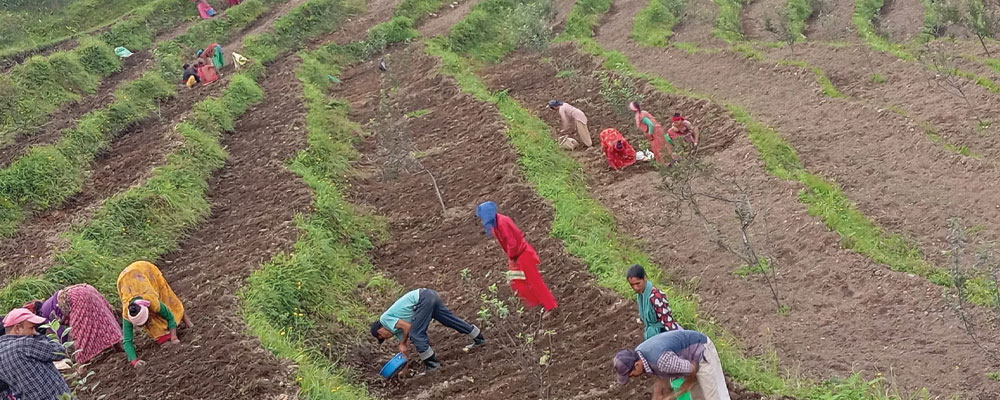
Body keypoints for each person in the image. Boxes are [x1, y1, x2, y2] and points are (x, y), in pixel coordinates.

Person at [370, 288, 485, 372]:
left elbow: (408, 328)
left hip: (423, 299)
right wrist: (403, 369)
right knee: (449, 320)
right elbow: (404, 350)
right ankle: (478, 337)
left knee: (416, 333)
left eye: (383, 337)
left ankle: (432, 365)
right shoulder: (396, 329)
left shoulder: (385, 319)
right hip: (429, 295)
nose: (387, 337)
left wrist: (402, 343)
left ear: (380, 332)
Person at [476, 201, 558, 311]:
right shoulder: (495, 225)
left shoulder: (502, 222)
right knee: (517, 282)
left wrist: (511, 258)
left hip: (523, 255)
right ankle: (537, 304)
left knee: (535, 281)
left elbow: (512, 243)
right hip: (516, 256)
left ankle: (550, 306)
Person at [117, 261, 194, 368]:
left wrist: (173, 336)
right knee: (151, 324)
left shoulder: (152, 300)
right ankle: (161, 334)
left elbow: (169, 316)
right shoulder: (127, 312)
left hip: (145, 271)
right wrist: (134, 362)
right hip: (124, 281)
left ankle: (186, 320)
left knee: (169, 300)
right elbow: (127, 341)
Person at [613, 330, 730, 400]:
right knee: (699, 398)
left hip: (701, 351)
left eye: (630, 374)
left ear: (637, 364)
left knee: (715, 397)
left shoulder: (661, 360)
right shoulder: (639, 353)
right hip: (688, 361)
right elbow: (661, 373)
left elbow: (692, 369)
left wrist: (686, 385)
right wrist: (658, 392)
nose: (631, 377)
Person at [31, 284, 124, 366]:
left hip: (78, 298)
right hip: (87, 289)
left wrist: (65, 354)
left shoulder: (44, 314)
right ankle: (118, 347)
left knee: (80, 333)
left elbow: (61, 334)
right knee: (102, 319)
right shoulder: (47, 305)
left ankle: (82, 365)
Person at [0, 309, 71, 400]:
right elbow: (60, 351)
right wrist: (39, 336)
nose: (34, 331)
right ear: (17, 328)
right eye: (31, 328)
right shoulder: (26, 344)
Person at [627, 265, 681, 340]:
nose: (635, 288)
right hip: (652, 335)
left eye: (638, 283)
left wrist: (675, 339)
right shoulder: (641, 295)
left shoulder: (655, 296)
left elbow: (667, 321)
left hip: (662, 335)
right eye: (632, 285)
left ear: (645, 278)